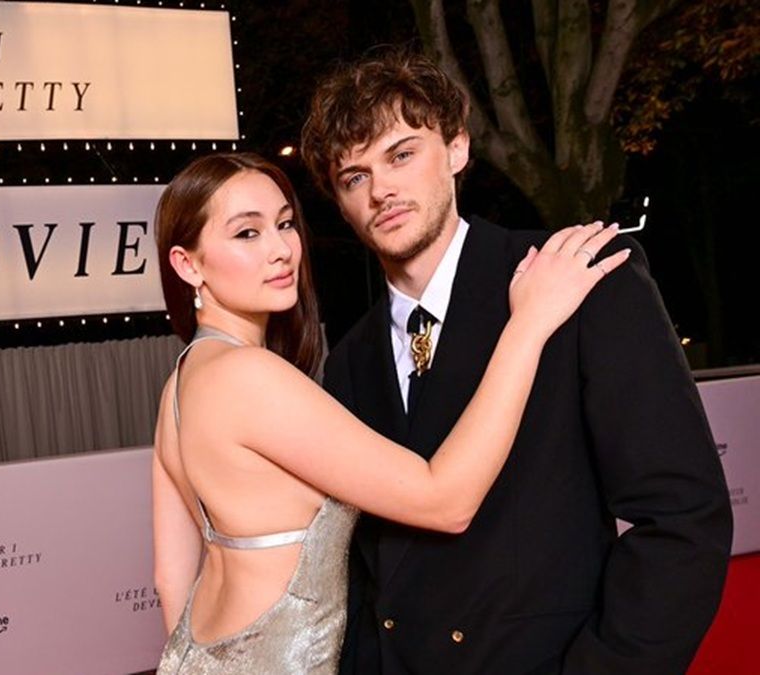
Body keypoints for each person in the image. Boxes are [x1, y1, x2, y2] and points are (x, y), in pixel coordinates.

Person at [299, 49, 733, 674]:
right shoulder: (347, 363)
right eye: (354, 177)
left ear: (456, 148)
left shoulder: (579, 277)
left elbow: (682, 517)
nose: (381, 190)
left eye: (401, 154)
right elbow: (364, 568)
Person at [150, 151, 630, 674]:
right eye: (247, 233)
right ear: (187, 264)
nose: (281, 250)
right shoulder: (249, 376)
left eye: (284, 224)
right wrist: (528, 325)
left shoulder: (182, 382)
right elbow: (445, 501)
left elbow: (170, 579)